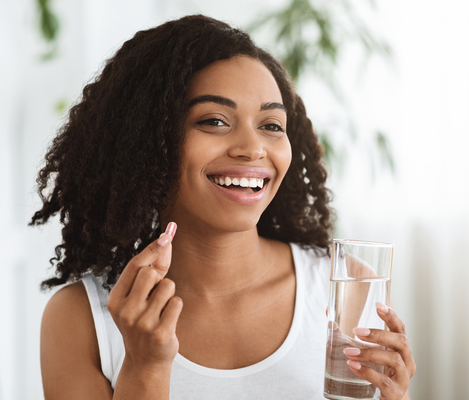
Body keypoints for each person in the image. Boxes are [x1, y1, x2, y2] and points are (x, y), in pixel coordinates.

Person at [32, 15, 415, 400]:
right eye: (214, 121)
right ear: (147, 142)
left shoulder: (348, 287)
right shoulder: (82, 319)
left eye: (271, 125)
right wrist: (145, 366)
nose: (252, 148)